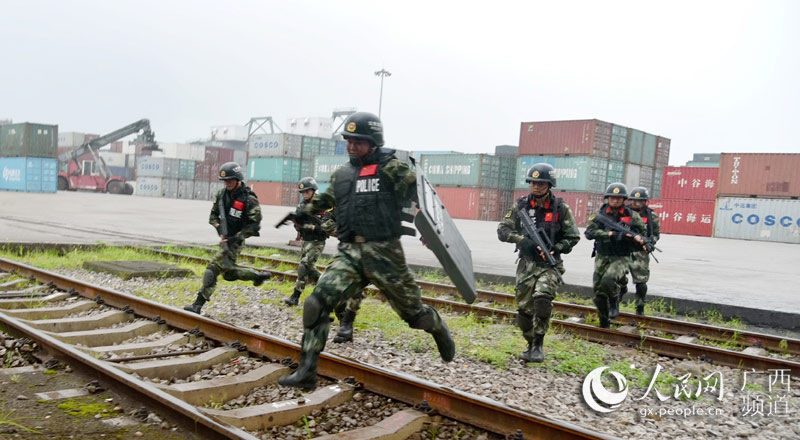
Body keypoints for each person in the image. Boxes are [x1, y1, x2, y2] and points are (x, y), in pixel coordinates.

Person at [278, 112, 455, 389]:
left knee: (415, 316)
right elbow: (326, 200)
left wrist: (432, 233)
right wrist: (303, 213)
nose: (351, 146)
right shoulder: (343, 175)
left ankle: (438, 327)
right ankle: (307, 371)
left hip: (385, 254)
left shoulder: (391, 168)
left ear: (373, 142)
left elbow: (422, 198)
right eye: (348, 140)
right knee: (316, 303)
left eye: (358, 141)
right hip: (350, 253)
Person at [497, 163, 580, 363]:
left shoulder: (561, 208)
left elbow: (573, 236)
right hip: (527, 264)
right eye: (533, 183)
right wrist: (522, 241)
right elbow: (502, 230)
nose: (536, 187)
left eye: (541, 184)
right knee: (524, 311)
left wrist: (557, 248)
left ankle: (538, 345)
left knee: (542, 299)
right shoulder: (521, 206)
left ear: (549, 185)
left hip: (549, 266)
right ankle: (530, 342)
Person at [183, 162, 271, 314]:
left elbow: (254, 226)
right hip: (224, 238)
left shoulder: (249, 199)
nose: (227, 183)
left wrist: (236, 238)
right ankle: (256, 276)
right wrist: (218, 228)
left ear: (238, 179)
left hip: (236, 242)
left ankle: (198, 304)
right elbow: (212, 215)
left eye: (230, 180)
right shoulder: (222, 196)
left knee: (212, 269)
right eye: (225, 181)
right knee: (229, 274)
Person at [584, 182, 647, 328]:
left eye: (619, 198)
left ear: (624, 200)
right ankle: (604, 321)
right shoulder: (599, 215)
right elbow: (589, 233)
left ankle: (614, 301)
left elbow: (642, 233)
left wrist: (633, 239)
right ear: (607, 198)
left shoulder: (632, 216)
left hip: (622, 256)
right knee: (599, 293)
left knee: (609, 280)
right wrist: (610, 234)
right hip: (602, 255)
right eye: (612, 197)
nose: (615, 200)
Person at [283, 177, 328, 307]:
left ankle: (295, 296)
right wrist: (302, 225)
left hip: (317, 242)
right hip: (305, 241)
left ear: (314, 191)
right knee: (310, 269)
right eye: (302, 192)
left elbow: (327, 227)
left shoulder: (322, 206)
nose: (304, 194)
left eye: (307, 192)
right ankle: (328, 288)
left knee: (303, 266)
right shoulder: (301, 206)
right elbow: (297, 225)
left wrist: (313, 227)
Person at [622, 187, 660, 315]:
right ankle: (616, 302)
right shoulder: (624, 212)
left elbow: (655, 234)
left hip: (640, 252)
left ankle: (640, 307)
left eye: (640, 201)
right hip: (623, 250)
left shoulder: (651, 215)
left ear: (645, 202)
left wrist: (649, 243)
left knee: (641, 282)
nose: (636, 204)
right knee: (617, 278)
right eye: (634, 201)